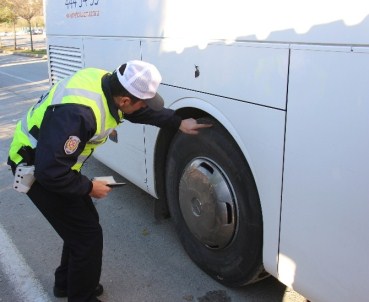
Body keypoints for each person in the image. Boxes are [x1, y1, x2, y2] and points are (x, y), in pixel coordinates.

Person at [7, 60, 211, 302]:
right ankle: (81, 296)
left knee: (83, 227)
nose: (144, 106)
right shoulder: (78, 113)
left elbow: (136, 110)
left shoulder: (107, 82)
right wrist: (89, 187)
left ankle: (66, 284)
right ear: (124, 99)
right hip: (38, 169)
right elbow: (50, 172)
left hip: (55, 164)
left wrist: (177, 122)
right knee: (87, 237)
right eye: (142, 101)